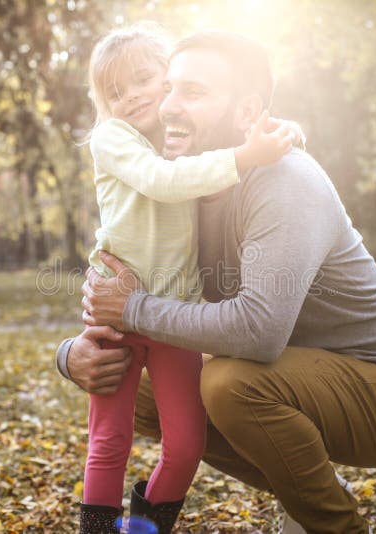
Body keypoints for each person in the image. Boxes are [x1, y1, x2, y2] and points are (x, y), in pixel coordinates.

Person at [60, 30, 376, 533]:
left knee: (228, 384)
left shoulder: (283, 180)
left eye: (192, 93)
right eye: (168, 88)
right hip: (290, 372)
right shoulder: (182, 183)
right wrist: (73, 351)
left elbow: (257, 332)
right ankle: (305, 481)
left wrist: (129, 309)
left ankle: (332, 523)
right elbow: (131, 264)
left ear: (246, 112)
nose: (167, 106)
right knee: (146, 388)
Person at [78, 25, 294, 534]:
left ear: (168, 81)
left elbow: (236, 128)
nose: (130, 97)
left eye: (143, 80)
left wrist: (279, 135)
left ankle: (146, 528)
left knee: (187, 445)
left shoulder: (184, 142)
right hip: (118, 310)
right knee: (110, 441)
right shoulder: (113, 139)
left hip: (175, 315)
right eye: (115, 91)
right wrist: (244, 158)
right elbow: (162, 182)